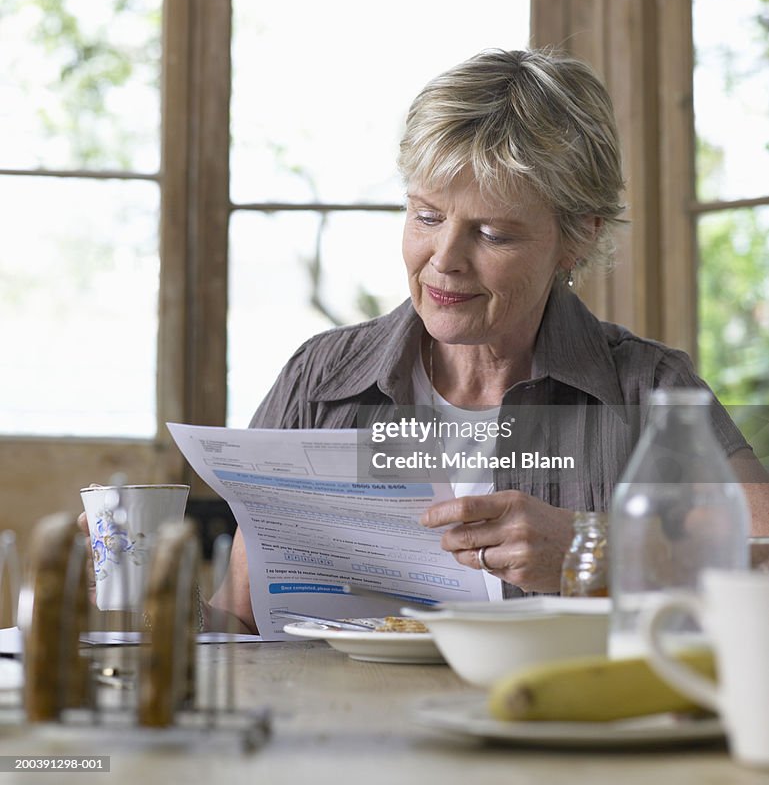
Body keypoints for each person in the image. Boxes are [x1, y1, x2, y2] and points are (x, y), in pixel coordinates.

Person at [209, 47, 769, 633]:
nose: (444, 260)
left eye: (493, 233)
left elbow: (760, 557)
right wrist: (136, 595)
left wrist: (594, 553)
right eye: (426, 217)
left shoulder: (649, 389)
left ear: (576, 238)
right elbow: (237, 623)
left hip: (558, 719)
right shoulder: (320, 378)